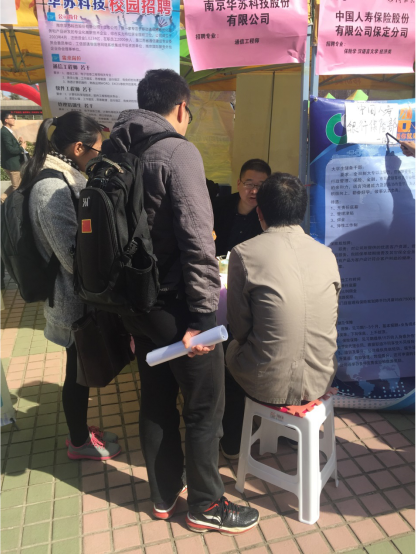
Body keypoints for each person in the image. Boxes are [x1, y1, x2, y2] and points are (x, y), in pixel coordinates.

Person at [103, 69, 259, 534]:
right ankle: (207, 505)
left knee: (155, 400)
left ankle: (164, 496)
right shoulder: (177, 151)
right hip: (178, 308)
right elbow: (198, 241)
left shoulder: (116, 149)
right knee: (204, 407)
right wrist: (205, 318)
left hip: (137, 304)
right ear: (180, 108)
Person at [23, 111, 121, 461]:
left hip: (75, 296)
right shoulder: (51, 188)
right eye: (96, 150)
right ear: (79, 147)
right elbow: (70, 256)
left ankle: (81, 431)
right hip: (70, 300)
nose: (98, 157)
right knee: (77, 375)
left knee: (79, 370)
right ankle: (79, 442)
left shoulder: (65, 177)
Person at [225, 173, 341, 450]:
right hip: (321, 377)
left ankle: (232, 442)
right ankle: (289, 432)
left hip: (267, 383)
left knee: (225, 352)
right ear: (301, 212)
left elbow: (239, 330)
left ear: (260, 212)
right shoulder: (327, 254)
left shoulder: (243, 254)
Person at [213, 159, 271, 256]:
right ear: (238, 184)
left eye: (260, 186)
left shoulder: (270, 215)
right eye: (249, 184)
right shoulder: (218, 207)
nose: (254, 191)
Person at [0, 111, 27, 289]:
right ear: (5, 120)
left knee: (16, 185)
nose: (14, 119)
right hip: (13, 165)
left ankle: (2, 198)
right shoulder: (4, 132)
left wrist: (19, 144)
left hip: (13, 164)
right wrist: (22, 146)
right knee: (18, 187)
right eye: (12, 117)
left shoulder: (7, 131)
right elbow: (10, 150)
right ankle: (17, 209)